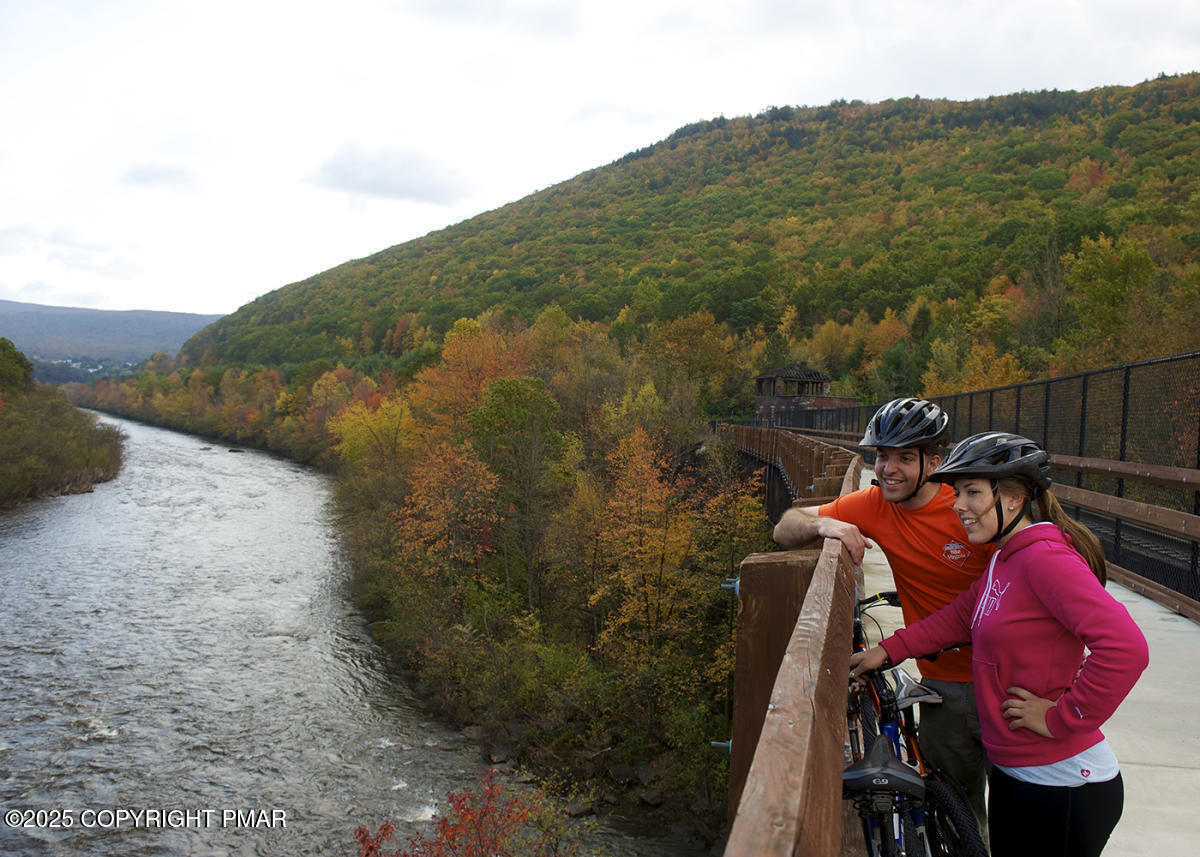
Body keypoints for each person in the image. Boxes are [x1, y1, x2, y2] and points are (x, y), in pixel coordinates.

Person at [851, 432, 1149, 857]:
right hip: (1022, 772)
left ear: (1012, 499)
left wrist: (1063, 717)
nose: (959, 505)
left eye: (972, 492)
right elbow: (958, 618)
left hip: (1060, 781)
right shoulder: (1005, 557)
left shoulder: (1046, 559)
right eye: (958, 493)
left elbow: (1126, 648)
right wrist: (887, 650)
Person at [772, 397, 992, 835]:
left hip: (1007, 678)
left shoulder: (969, 507)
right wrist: (823, 526)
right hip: (943, 685)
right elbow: (783, 528)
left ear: (934, 461)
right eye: (881, 456)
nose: (888, 468)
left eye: (905, 458)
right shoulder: (873, 504)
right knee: (962, 817)